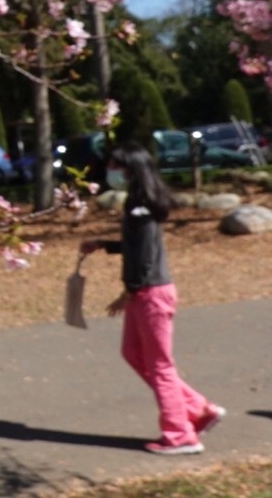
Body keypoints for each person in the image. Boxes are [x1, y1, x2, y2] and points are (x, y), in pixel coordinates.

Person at [79, 142, 225, 456]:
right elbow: (135, 246)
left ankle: (180, 435)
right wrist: (103, 244)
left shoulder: (141, 206)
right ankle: (199, 409)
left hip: (150, 294)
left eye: (116, 166)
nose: (112, 171)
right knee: (133, 353)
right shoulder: (138, 203)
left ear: (131, 170)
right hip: (146, 292)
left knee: (160, 367)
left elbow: (143, 257)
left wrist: (128, 292)